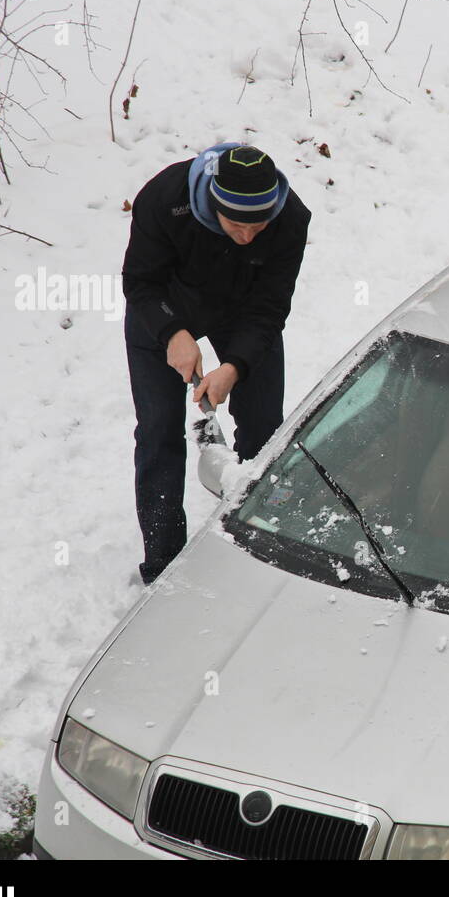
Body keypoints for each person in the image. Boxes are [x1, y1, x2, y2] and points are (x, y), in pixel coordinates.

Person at [121, 142, 312, 584]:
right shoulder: (165, 199)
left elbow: (268, 308)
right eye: (235, 225)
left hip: (242, 310)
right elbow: (141, 283)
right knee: (158, 429)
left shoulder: (290, 220)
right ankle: (164, 567)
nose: (247, 236)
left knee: (265, 426)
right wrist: (173, 334)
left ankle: (259, 544)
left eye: (257, 226)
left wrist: (235, 367)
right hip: (164, 306)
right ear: (213, 204)